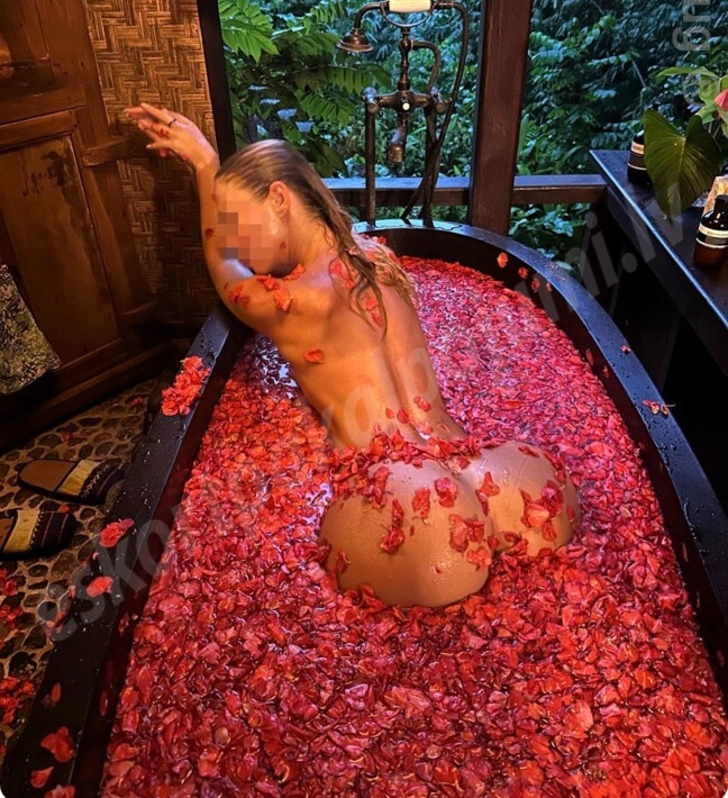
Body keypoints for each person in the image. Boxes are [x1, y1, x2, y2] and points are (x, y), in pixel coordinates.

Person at [125, 102, 580, 607]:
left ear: (279, 198)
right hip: (489, 466)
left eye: (237, 221)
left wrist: (205, 165)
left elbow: (224, 269)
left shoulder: (295, 301)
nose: (235, 240)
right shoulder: (378, 258)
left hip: (402, 496)